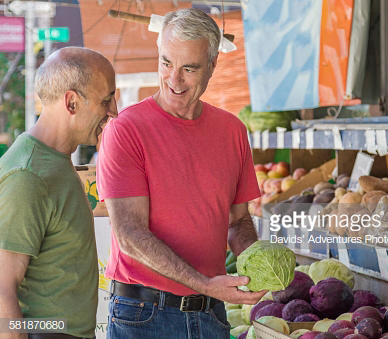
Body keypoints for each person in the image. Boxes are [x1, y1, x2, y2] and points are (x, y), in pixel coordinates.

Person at [96, 8, 266, 339]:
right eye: (166, 63)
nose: (174, 80)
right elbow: (130, 234)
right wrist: (205, 283)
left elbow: (239, 221)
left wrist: (258, 269)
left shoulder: (231, 130)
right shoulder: (126, 130)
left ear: (213, 65)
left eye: (189, 68)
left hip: (210, 314)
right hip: (144, 316)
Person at [0, 47, 118, 339]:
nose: (113, 111)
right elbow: (2, 292)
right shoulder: (29, 176)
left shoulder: (53, 159)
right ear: (72, 102)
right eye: (106, 100)